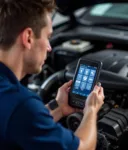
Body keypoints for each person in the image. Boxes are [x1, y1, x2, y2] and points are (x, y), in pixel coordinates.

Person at [0, 0, 104, 150]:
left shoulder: (13, 103)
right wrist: (91, 110)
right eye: (48, 36)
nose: (49, 48)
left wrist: (59, 107)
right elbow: (83, 147)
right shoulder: (21, 104)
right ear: (28, 37)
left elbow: (23, 124)